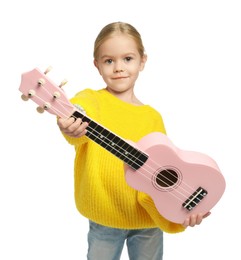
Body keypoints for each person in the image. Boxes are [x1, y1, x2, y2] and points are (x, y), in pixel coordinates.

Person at [57, 21, 210, 260]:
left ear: (142, 61)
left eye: (127, 59)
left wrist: (182, 209)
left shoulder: (152, 116)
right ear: (97, 65)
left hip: (149, 221)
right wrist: (70, 126)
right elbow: (78, 113)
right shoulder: (91, 101)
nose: (118, 68)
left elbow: (166, 171)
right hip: (104, 221)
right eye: (109, 61)